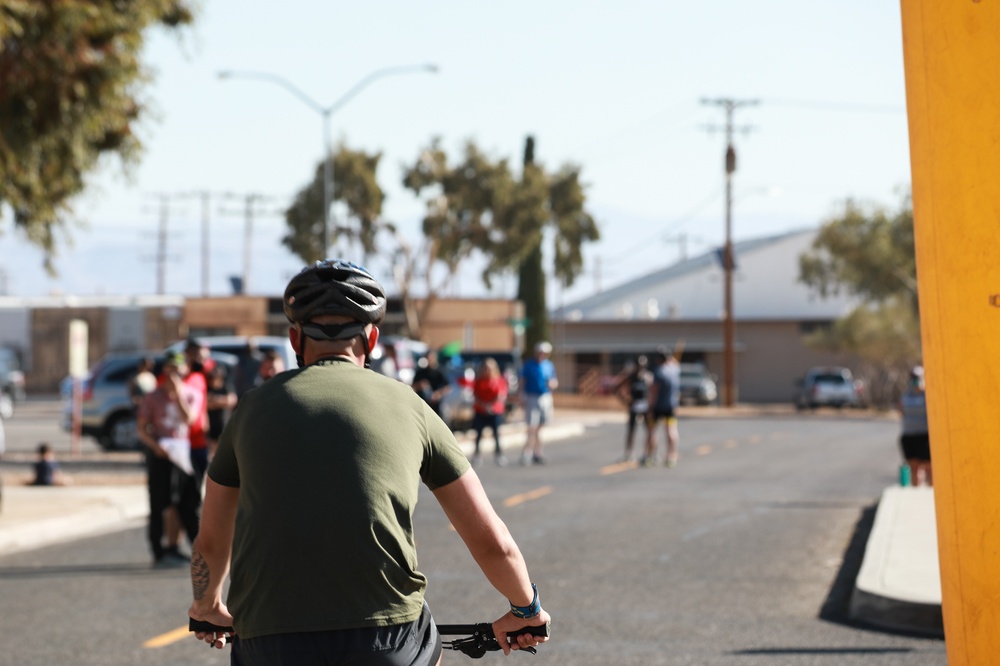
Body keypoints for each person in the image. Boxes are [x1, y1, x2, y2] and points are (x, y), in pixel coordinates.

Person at [188, 259, 549, 663]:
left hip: (268, 643)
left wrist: (206, 607)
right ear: (372, 338)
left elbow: (211, 540)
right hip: (386, 644)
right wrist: (526, 610)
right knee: (422, 629)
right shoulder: (410, 406)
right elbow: (491, 541)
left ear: (294, 338)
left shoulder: (250, 410)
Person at [137, 353, 201, 567]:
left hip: (182, 453)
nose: (174, 374)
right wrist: (155, 447)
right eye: (170, 369)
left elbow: (189, 419)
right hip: (161, 453)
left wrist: (178, 395)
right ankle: (158, 550)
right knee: (159, 503)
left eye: (178, 369)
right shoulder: (153, 397)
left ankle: (198, 550)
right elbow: (142, 427)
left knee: (187, 503)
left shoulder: (191, 393)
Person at [518, 341, 558, 465]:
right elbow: (522, 381)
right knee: (531, 426)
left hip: (545, 396)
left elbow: (554, 380)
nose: (542, 355)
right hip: (532, 396)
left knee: (540, 427)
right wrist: (521, 396)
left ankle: (538, 452)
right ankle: (527, 453)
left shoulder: (549, 365)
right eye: (540, 352)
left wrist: (553, 384)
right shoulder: (529, 365)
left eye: (545, 353)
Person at [644, 347, 681, 467]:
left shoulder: (658, 372)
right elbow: (674, 363)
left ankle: (650, 456)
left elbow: (654, 391)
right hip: (671, 405)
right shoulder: (674, 370)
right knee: (671, 430)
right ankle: (671, 456)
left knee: (652, 432)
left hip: (658, 406)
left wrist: (650, 407)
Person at [471, 357, 508, 467]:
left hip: (494, 411)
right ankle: (477, 456)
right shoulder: (479, 381)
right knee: (478, 434)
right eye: (485, 368)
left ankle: (499, 455)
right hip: (481, 411)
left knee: (496, 434)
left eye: (489, 368)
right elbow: (475, 396)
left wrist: (491, 405)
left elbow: (501, 395)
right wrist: (484, 405)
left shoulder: (499, 380)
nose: (487, 370)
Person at [899, 365, 932, 486]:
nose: (915, 379)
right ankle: (916, 492)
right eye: (913, 377)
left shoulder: (928, 395)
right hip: (909, 436)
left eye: (918, 377)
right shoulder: (906, 395)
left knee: (929, 468)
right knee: (914, 468)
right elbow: (901, 411)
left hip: (924, 436)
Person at [615, 355, 651, 461]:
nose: (640, 368)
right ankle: (629, 452)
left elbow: (652, 391)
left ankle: (648, 452)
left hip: (645, 406)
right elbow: (618, 389)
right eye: (639, 366)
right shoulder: (631, 377)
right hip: (634, 405)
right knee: (631, 430)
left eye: (643, 366)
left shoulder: (647, 377)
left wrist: (651, 404)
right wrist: (626, 401)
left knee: (649, 430)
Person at [205, 365, 237, 459]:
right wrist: (221, 401)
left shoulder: (226, 387)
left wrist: (214, 400)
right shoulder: (208, 388)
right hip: (210, 427)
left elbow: (231, 401)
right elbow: (206, 404)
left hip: (224, 425)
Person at [412, 349, 452, 417]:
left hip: (436, 406)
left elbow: (448, 387)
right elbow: (412, 386)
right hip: (423, 405)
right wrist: (419, 385)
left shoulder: (439, 371)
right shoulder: (420, 372)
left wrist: (438, 394)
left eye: (431, 358)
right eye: (427, 358)